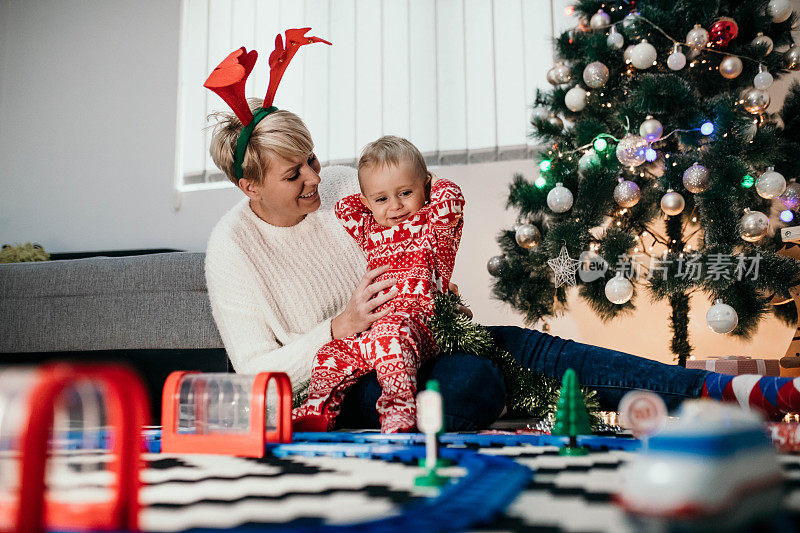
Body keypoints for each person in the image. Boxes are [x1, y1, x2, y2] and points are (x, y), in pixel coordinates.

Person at [205, 102, 800, 430]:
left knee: (532, 348)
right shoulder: (232, 249)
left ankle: (726, 389)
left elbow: (423, 210)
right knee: (472, 385)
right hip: (351, 380)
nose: (314, 178)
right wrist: (340, 329)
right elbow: (254, 370)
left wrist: (429, 272)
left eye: (311, 159)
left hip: (431, 338)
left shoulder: (344, 191)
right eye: (293, 174)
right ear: (248, 185)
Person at [293, 136, 464, 433]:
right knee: (330, 354)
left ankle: (399, 411)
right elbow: (347, 207)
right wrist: (373, 202)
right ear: (368, 203)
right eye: (382, 199)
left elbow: (452, 197)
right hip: (374, 330)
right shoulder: (371, 229)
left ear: (424, 187)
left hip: (421, 322)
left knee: (390, 337)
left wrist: (430, 185)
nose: (395, 206)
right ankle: (318, 409)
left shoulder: (434, 226)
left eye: (405, 192)